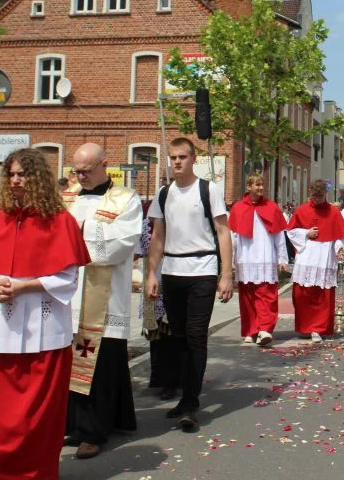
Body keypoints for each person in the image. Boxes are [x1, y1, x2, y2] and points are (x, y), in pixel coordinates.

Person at [0, 147, 91, 479]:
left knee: (37, 418)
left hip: (42, 330)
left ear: (38, 178)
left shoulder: (60, 220)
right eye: (12, 174)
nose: (17, 180)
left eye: (24, 173)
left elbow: (67, 278)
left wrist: (22, 286)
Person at [145, 138, 234, 433]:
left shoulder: (209, 190)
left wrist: (226, 274)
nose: (177, 162)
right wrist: (151, 273)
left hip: (203, 269)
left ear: (193, 158)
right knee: (178, 337)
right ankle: (185, 398)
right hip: (172, 270)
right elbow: (158, 237)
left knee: (196, 336)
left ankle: (191, 401)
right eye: (172, 158)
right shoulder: (164, 194)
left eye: (182, 157)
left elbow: (223, 232)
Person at [64, 143, 142, 459]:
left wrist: (79, 231)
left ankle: (94, 431)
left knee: (101, 364)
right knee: (71, 364)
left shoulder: (126, 199)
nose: (79, 177)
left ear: (103, 166)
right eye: (76, 171)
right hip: (67, 295)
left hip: (105, 296)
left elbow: (122, 242)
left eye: (85, 170)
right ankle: (77, 425)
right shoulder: (65, 198)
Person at [229, 173, 288, 347]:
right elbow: (233, 236)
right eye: (257, 185)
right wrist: (231, 258)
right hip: (245, 257)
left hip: (265, 257)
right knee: (247, 295)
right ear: (248, 187)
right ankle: (250, 330)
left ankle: (265, 329)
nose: (261, 188)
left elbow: (279, 235)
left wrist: (282, 257)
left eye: (262, 185)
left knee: (266, 294)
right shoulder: (238, 208)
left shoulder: (272, 207)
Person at [286, 180, 344, 342]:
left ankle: (318, 328)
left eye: (320, 196)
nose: (318, 199)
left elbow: (341, 237)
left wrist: (338, 248)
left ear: (325, 194)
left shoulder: (333, 212)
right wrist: (306, 233)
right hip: (306, 256)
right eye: (315, 196)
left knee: (322, 295)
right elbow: (291, 232)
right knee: (303, 294)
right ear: (310, 194)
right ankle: (305, 326)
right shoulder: (302, 210)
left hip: (324, 257)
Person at [137, 199, 180, 399]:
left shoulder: (177, 224)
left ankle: (173, 380)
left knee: (172, 335)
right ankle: (158, 377)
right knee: (155, 335)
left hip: (173, 279)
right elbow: (141, 248)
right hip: (153, 279)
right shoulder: (147, 225)